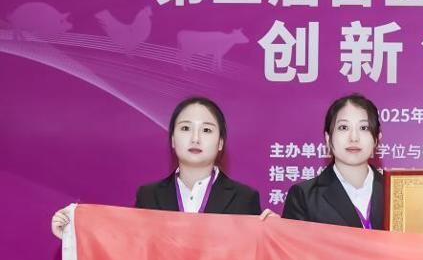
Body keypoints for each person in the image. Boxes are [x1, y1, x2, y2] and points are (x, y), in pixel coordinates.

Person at [51, 96, 265, 238]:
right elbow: (125, 245)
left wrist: (272, 231)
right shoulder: (149, 196)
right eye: (185, 128)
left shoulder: (244, 198)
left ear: (220, 143)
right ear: (172, 139)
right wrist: (74, 231)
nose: (195, 138)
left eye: (207, 130)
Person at [281, 93, 384, 229]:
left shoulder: (395, 192)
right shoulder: (304, 197)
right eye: (343, 127)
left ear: (376, 139)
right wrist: (275, 229)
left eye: (364, 128)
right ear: (328, 138)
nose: (354, 137)